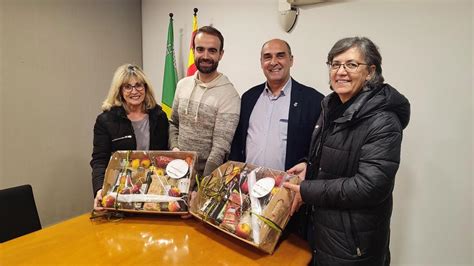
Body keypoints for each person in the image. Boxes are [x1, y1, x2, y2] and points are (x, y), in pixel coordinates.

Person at [283, 37, 410, 265]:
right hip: (322, 233)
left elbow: (369, 187)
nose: (341, 71)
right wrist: (308, 165)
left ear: (370, 72)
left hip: (353, 246)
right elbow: (331, 158)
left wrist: (307, 190)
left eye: (351, 65)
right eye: (335, 64)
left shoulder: (384, 121)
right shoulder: (331, 106)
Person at [229, 39, 324, 172]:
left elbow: (319, 149)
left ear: (291, 60)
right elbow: (238, 143)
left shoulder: (313, 101)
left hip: (287, 187)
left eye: (280, 55)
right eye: (267, 57)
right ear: (261, 63)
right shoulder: (248, 98)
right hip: (247, 185)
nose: (274, 62)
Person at [91, 64, 169, 209]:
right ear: (119, 91)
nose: (134, 91)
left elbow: (165, 155)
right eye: (127, 87)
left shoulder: (159, 116)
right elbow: (99, 161)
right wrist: (99, 189)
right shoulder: (106, 120)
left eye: (138, 85)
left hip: (153, 190)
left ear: (145, 88)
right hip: (120, 190)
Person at [169, 26, 240, 177]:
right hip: (177, 169)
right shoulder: (182, 85)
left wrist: (202, 186)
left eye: (212, 50)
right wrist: (175, 149)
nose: (205, 56)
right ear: (193, 51)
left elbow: (220, 149)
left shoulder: (229, 95)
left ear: (221, 54)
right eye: (200, 49)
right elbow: (173, 123)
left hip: (206, 178)